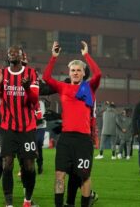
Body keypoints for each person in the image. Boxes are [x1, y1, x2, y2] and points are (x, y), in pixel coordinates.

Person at [43, 40, 101, 207]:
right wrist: (54, 57)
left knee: (84, 176)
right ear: (69, 72)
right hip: (66, 139)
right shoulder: (63, 87)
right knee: (59, 175)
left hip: (83, 140)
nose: (75, 73)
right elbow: (46, 77)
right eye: (73, 70)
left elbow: (98, 74)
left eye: (79, 70)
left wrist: (86, 55)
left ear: (83, 73)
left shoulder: (89, 87)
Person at [0, 45, 39, 207]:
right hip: (8, 128)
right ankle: (8, 203)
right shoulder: (1, 74)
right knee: (7, 164)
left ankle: (27, 200)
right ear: (7, 56)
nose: (12, 54)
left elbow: (34, 100)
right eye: (10, 52)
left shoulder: (31, 73)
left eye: (15, 53)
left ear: (21, 56)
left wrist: (26, 88)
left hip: (27, 128)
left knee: (29, 166)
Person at [35, 99, 47, 174]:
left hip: (40, 127)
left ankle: (40, 165)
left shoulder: (41, 103)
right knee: (31, 146)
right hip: (31, 127)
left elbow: (41, 117)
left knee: (38, 144)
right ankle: (25, 166)